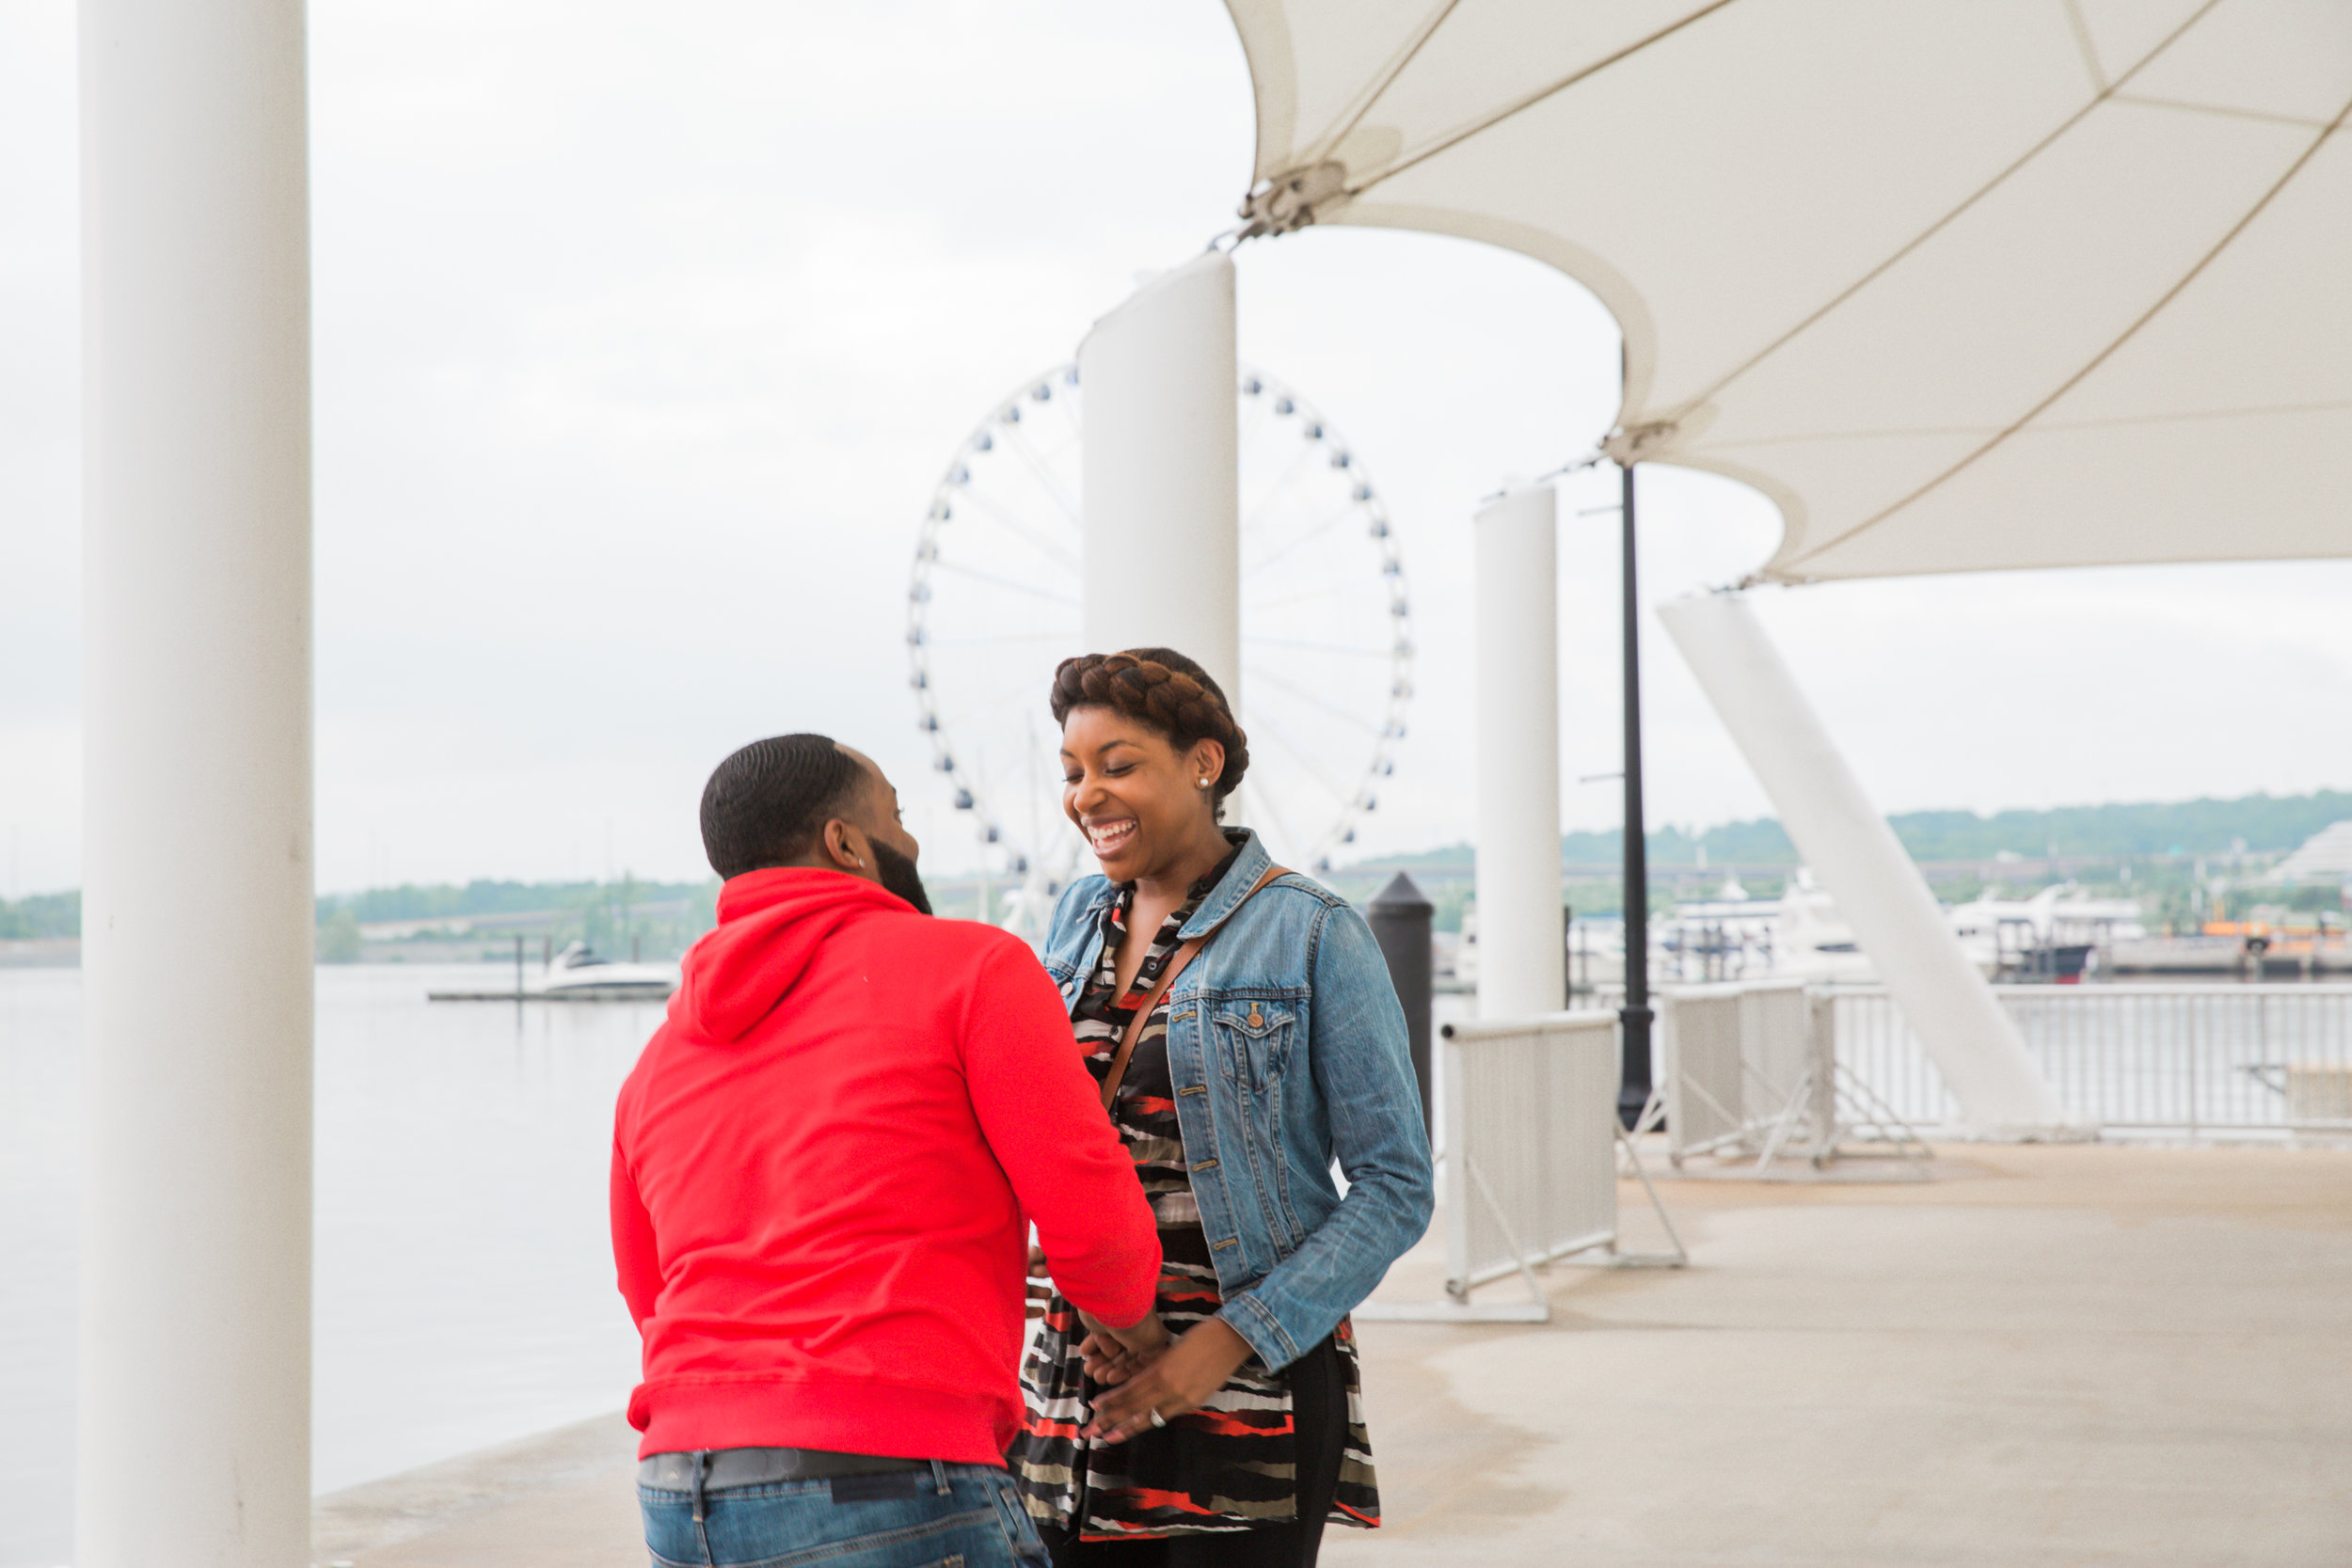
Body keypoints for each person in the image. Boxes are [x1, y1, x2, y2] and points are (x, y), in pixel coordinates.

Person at [612, 734, 1167, 1568]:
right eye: (898, 818)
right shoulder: (974, 968)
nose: (910, 841)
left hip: (682, 1483)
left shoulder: (660, 1056)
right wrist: (1137, 1324)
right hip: (889, 1471)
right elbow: (1087, 1206)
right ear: (845, 842)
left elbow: (646, 1284)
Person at [1008, 650, 1436, 1568]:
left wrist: (1224, 1339)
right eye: (1072, 772)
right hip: (1078, 1378)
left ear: (1203, 762)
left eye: (1117, 765)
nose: (1087, 794)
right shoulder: (1077, 916)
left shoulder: (1313, 928)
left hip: (1246, 1388)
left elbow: (1396, 1184)